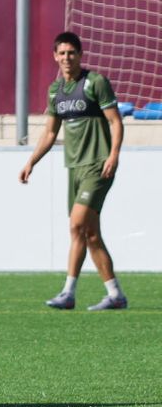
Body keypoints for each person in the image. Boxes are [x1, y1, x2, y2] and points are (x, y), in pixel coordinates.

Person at [20, 31, 127, 311]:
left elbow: (115, 122)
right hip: (75, 167)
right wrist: (32, 161)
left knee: (76, 224)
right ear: (55, 56)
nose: (67, 58)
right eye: (62, 53)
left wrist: (114, 154)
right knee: (88, 233)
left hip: (98, 164)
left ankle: (68, 292)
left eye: (72, 53)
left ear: (80, 55)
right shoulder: (56, 91)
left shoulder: (95, 82)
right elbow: (50, 132)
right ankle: (115, 294)